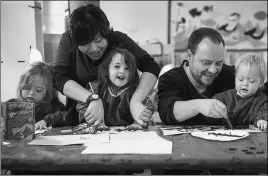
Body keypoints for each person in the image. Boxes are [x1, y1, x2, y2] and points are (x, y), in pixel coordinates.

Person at [53, 4, 160, 127]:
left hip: (125, 125)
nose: (94, 49)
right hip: (81, 122)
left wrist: (136, 101)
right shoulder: (68, 39)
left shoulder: (119, 40)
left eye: (98, 41)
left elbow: (151, 66)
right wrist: (92, 98)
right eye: (85, 44)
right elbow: (60, 78)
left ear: (106, 31)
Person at [157, 27, 235, 126]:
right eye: (206, 62)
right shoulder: (170, 78)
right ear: (190, 56)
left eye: (219, 63)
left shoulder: (230, 75)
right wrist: (199, 105)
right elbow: (166, 111)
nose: (213, 70)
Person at [76, 47, 154, 130]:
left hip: (128, 135)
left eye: (127, 68)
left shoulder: (135, 91)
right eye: (117, 66)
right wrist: (94, 120)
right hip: (99, 133)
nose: (122, 71)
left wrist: (137, 123)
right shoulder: (96, 88)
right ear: (106, 69)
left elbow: (147, 107)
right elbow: (81, 104)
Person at [207, 53, 267, 130]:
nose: (245, 84)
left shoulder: (260, 100)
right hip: (225, 135)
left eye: (251, 81)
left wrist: (261, 121)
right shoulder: (224, 98)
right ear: (235, 78)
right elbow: (210, 114)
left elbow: (263, 112)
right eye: (240, 79)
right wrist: (211, 108)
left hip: (250, 138)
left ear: (261, 83)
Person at [5, 62, 69, 130]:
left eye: (38, 90)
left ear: (47, 92)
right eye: (27, 88)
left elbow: (65, 116)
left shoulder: (55, 107)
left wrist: (46, 121)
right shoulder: (12, 104)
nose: (31, 93)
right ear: (21, 87)